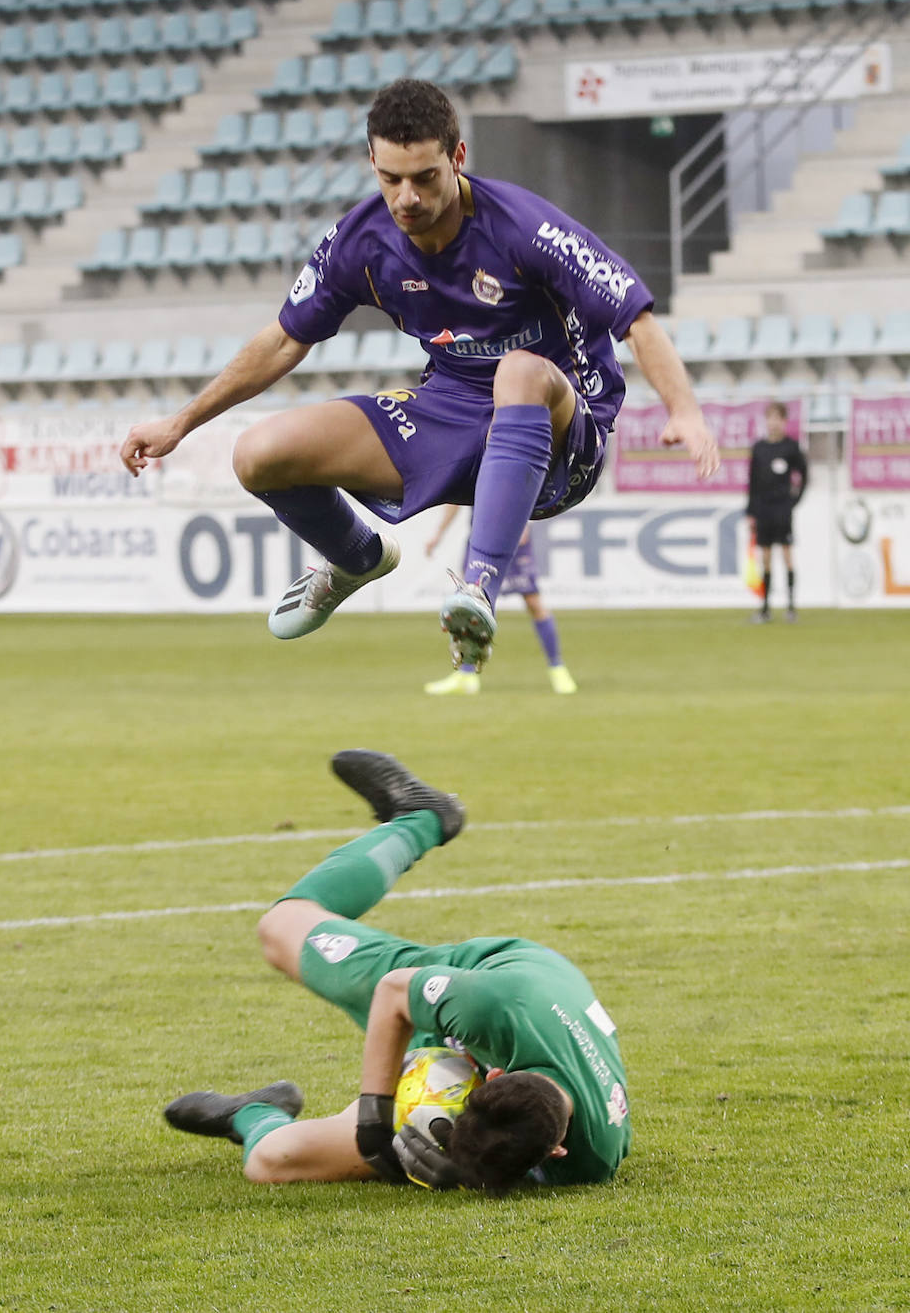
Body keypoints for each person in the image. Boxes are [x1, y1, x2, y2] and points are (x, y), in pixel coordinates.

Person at [120, 79, 719, 673]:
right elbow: (282, 340)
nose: (406, 197)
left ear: (457, 159)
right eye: (390, 179)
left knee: (517, 372)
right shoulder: (362, 241)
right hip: (451, 409)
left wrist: (684, 412)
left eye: (425, 178)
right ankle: (357, 557)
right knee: (258, 454)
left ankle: (477, 591)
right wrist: (180, 423)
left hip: (564, 433)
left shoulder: (524, 228)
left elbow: (635, 317)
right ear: (373, 164)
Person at [164, 750, 631, 1193]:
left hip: (480, 1039)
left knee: (271, 1162)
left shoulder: (593, 1158)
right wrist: (374, 1123)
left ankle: (257, 1111)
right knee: (279, 929)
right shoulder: (489, 1004)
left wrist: (461, 1170)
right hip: (458, 984)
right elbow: (393, 995)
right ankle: (424, 817)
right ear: (488, 1080)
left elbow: (509, 1156)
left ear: (556, 1147)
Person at [422, 504, 577, 695]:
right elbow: (455, 502)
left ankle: (557, 669)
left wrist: (524, 521)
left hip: (513, 536)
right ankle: (466, 675)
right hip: (478, 540)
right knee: (467, 604)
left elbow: (530, 485)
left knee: (533, 603)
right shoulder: (468, 474)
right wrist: (439, 533)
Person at [746, 401, 808, 623]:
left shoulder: (791, 447)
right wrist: (751, 511)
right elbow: (752, 482)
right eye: (769, 418)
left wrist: (794, 500)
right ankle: (765, 608)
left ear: (784, 421)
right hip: (763, 510)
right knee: (766, 558)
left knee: (787, 555)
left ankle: (791, 607)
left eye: (777, 418)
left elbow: (804, 474)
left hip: (782, 509)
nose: (773, 423)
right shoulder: (759, 448)